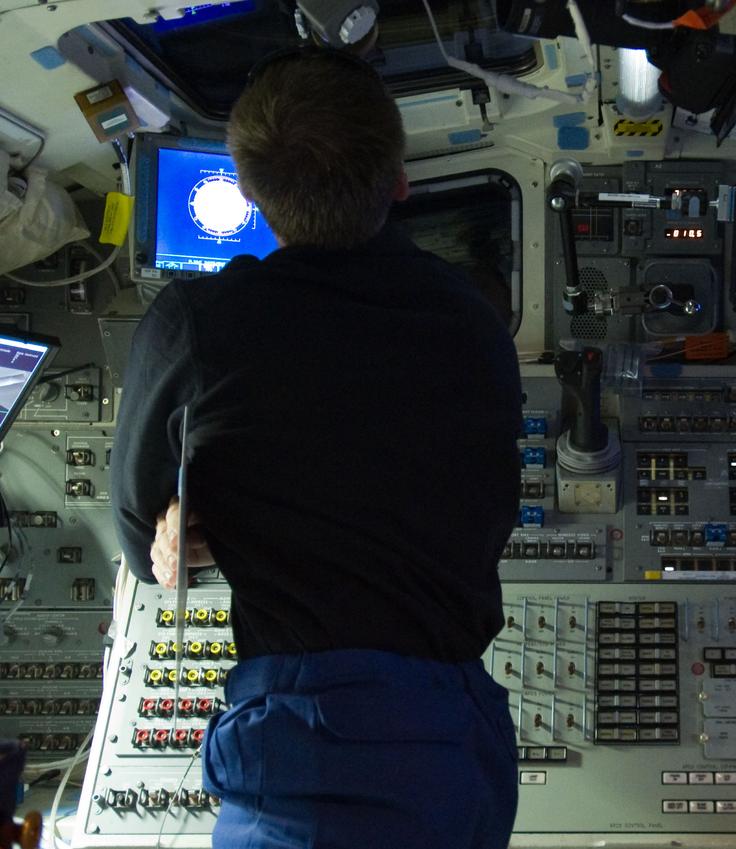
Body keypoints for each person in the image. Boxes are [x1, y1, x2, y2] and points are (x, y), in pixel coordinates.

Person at [111, 47, 521, 849]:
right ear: (399, 180)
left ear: (255, 196)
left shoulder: (196, 324)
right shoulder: (477, 320)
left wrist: (175, 530)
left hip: (306, 750)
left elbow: (138, 543)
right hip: (461, 748)